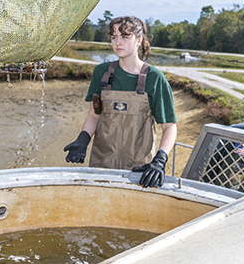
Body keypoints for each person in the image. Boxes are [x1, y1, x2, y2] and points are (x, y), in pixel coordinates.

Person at [63, 16, 178, 189]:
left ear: (139, 40)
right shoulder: (101, 72)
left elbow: (169, 126)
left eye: (125, 36)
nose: (118, 42)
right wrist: (83, 139)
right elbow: (94, 115)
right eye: (114, 37)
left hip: (139, 170)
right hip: (101, 165)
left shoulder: (154, 78)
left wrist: (160, 159)